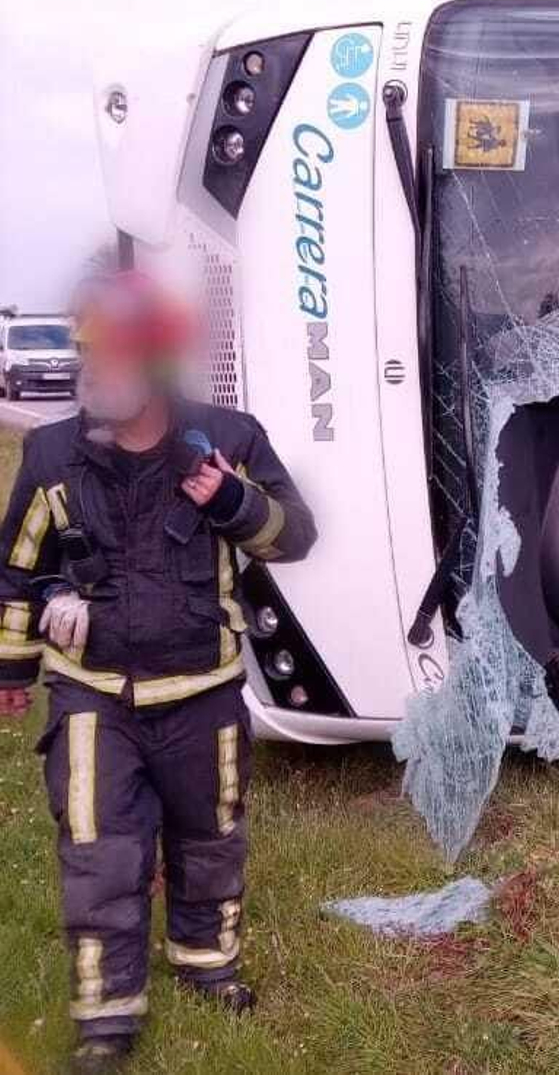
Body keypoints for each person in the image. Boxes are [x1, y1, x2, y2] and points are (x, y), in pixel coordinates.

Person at [0, 271, 316, 1073]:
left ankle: (208, 967)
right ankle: (106, 1018)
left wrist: (232, 503)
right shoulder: (50, 453)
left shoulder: (229, 439)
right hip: (90, 696)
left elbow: (293, 535)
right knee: (99, 847)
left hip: (201, 695)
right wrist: (12, 663)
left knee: (209, 841)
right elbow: (15, 569)